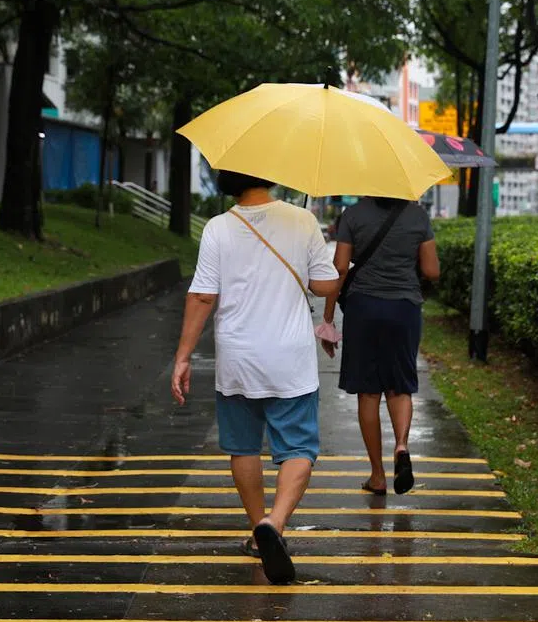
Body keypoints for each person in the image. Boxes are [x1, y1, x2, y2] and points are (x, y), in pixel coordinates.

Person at [171, 170, 339, 584]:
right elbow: (323, 285)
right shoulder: (301, 221)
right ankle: (275, 524)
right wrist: (334, 266)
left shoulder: (218, 228)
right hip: (290, 359)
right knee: (298, 447)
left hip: (238, 357)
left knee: (243, 447)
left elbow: (203, 294)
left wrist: (183, 356)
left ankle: (256, 528)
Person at [320, 197, 439, 496]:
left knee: (369, 391)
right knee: (400, 387)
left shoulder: (353, 214)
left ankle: (377, 475)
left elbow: (340, 268)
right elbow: (432, 270)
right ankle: (401, 446)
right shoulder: (418, 216)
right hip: (405, 308)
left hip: (364, 309)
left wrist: (328, 319)